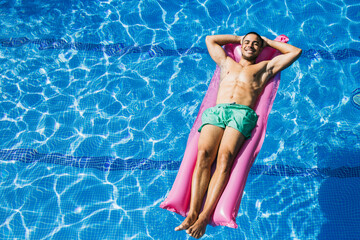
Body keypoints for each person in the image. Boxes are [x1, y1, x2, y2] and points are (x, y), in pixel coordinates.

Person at [174, 32, 302, 239]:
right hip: (217, 111)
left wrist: (268, 42)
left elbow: (296, 52)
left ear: (260, 49)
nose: (250, 46)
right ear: (240, 45)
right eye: (247, 43)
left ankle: (205, 216)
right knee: (205, 155)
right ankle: (193, 213)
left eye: (255, 44)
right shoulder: (226, 62)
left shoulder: (264, 67)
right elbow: (210, 40)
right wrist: (240, 37)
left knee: (224, 159)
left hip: (241, 113)